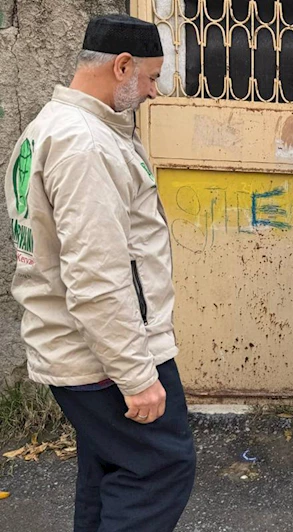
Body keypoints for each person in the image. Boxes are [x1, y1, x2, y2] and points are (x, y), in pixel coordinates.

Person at [5, 14, 196, 531]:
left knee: (109, 468)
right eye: (152, 77)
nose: (155, 92)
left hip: (81, 350)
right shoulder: (85, 144)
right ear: (122, 66)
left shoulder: (53, 128)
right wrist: (137, 376)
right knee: (159, 469)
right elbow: (96, 277)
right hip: (104, 358)